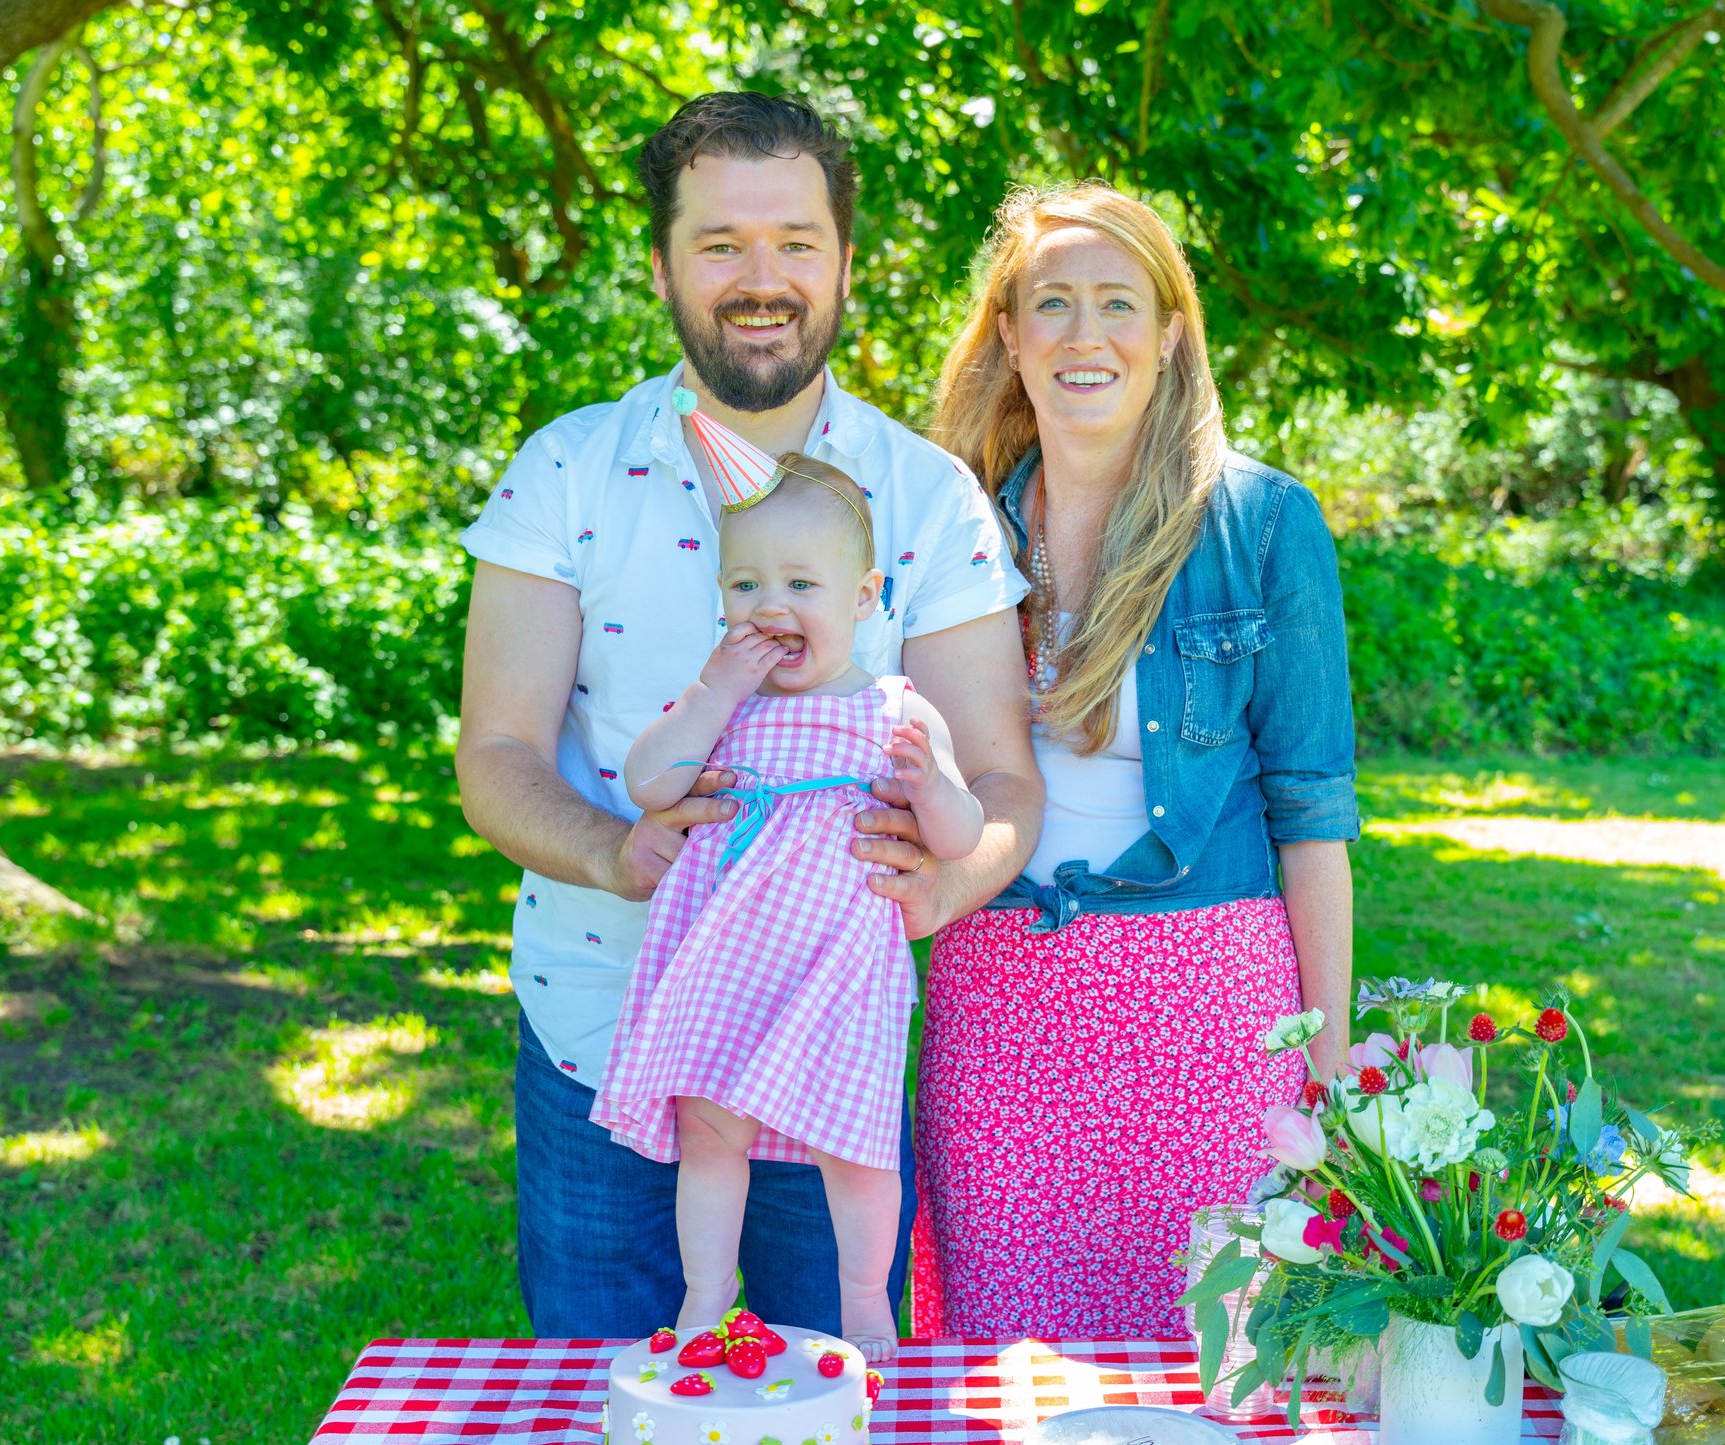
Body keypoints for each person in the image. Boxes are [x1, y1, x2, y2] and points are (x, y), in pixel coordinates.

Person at [455, 93, 1039, 1341]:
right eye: (721, 244)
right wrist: (614, 851)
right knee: (605, 1423)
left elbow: (1000, 776)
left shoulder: (926, 498)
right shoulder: (563, 470)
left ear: (842, 261)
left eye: (795, 242)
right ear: (663, 262)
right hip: (595, 1028)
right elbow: (497, 755)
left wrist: (944, 889)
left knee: (837, 1422)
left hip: (823, 1028)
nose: (760, 279)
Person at [910, 182, 1359, 1339]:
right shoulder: (946, 531)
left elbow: (1313, 814)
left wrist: (1331, 1070)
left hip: (1210, 1012)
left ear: (1169, 331)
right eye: (1050, 304)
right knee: (1002, 1385)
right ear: (1007, 334)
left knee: (1226, 1365)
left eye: (1117, 302)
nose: (1083, 334)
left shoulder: (1260, 522)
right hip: (997, 1004)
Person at [592, 454, 984, 1361]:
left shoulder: (899, 709)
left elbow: (960, 838)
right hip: (728, 962)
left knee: (857, 1146)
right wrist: (712, 690)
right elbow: (650, 782)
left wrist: (932, 789)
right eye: (746, 582)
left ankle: (863, 1304)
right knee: (709, 1132)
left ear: (863, 595)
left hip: (839, 967)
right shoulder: (722, 708)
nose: (772, 603)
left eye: (802, 582)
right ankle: (702, 1298)